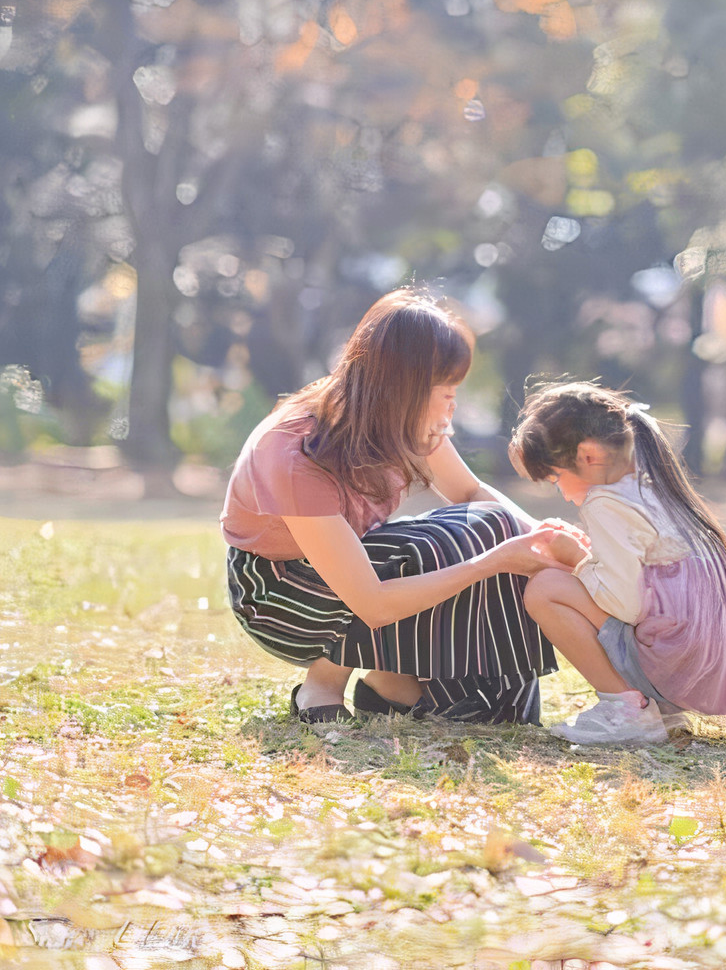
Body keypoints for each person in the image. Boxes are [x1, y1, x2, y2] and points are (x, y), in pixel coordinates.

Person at [221, 289, 572, 725]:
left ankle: (392, 686)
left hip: (356, 566)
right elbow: (372, 603)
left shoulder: (397, 420)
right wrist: (492, 562)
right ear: (401, 388)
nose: (453, 404)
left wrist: (549, 539)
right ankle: (322, 686)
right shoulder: (294, 451)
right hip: (279, 594)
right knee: (425, 548)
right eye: (443, 390)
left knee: (491, 523)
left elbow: (469, 493)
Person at [508, 382, 726, 745]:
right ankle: (659, 711)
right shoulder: (652, 488)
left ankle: (627, 711)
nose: (563, 493)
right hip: (705, 668)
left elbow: (625, 605)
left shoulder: (604, 501)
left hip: (676, 665)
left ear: (589, 456)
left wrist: (576, 559)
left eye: (556, 478)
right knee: (567, 582)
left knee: (546, 588)